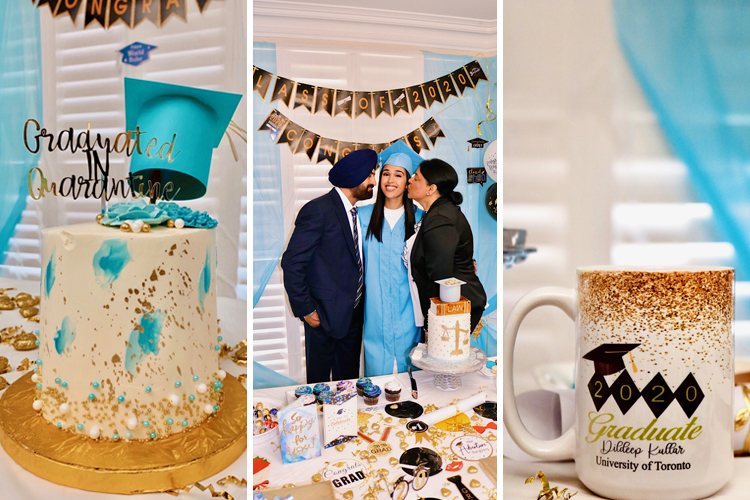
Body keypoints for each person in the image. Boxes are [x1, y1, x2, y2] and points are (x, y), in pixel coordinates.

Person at [280, 149, 378, 383]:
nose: (374, 182)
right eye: (370, 175)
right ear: (354, 177)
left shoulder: (358, 213)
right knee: (319, 385)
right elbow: (292, 262)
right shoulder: (318, 210)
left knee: (348, 384)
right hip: (322, 316)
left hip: (354, 316)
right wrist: (306, 309)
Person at [359, 141, 424, 377]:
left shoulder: (421, 219)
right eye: (386, 173)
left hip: (409, 311)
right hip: (374, 313)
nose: (390, 180)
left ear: (408, 181)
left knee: (412, 374)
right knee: (378, 382)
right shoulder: (362, 216)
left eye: (398, 175)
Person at [407, 158, 486, 335]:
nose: (410, 180)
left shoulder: (440, 218)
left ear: (431, 188)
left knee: (446, 362)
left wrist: (432, 320)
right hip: (450, 307)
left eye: (416, 178)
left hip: (451, 311)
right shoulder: (438, 212)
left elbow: (439, 275)